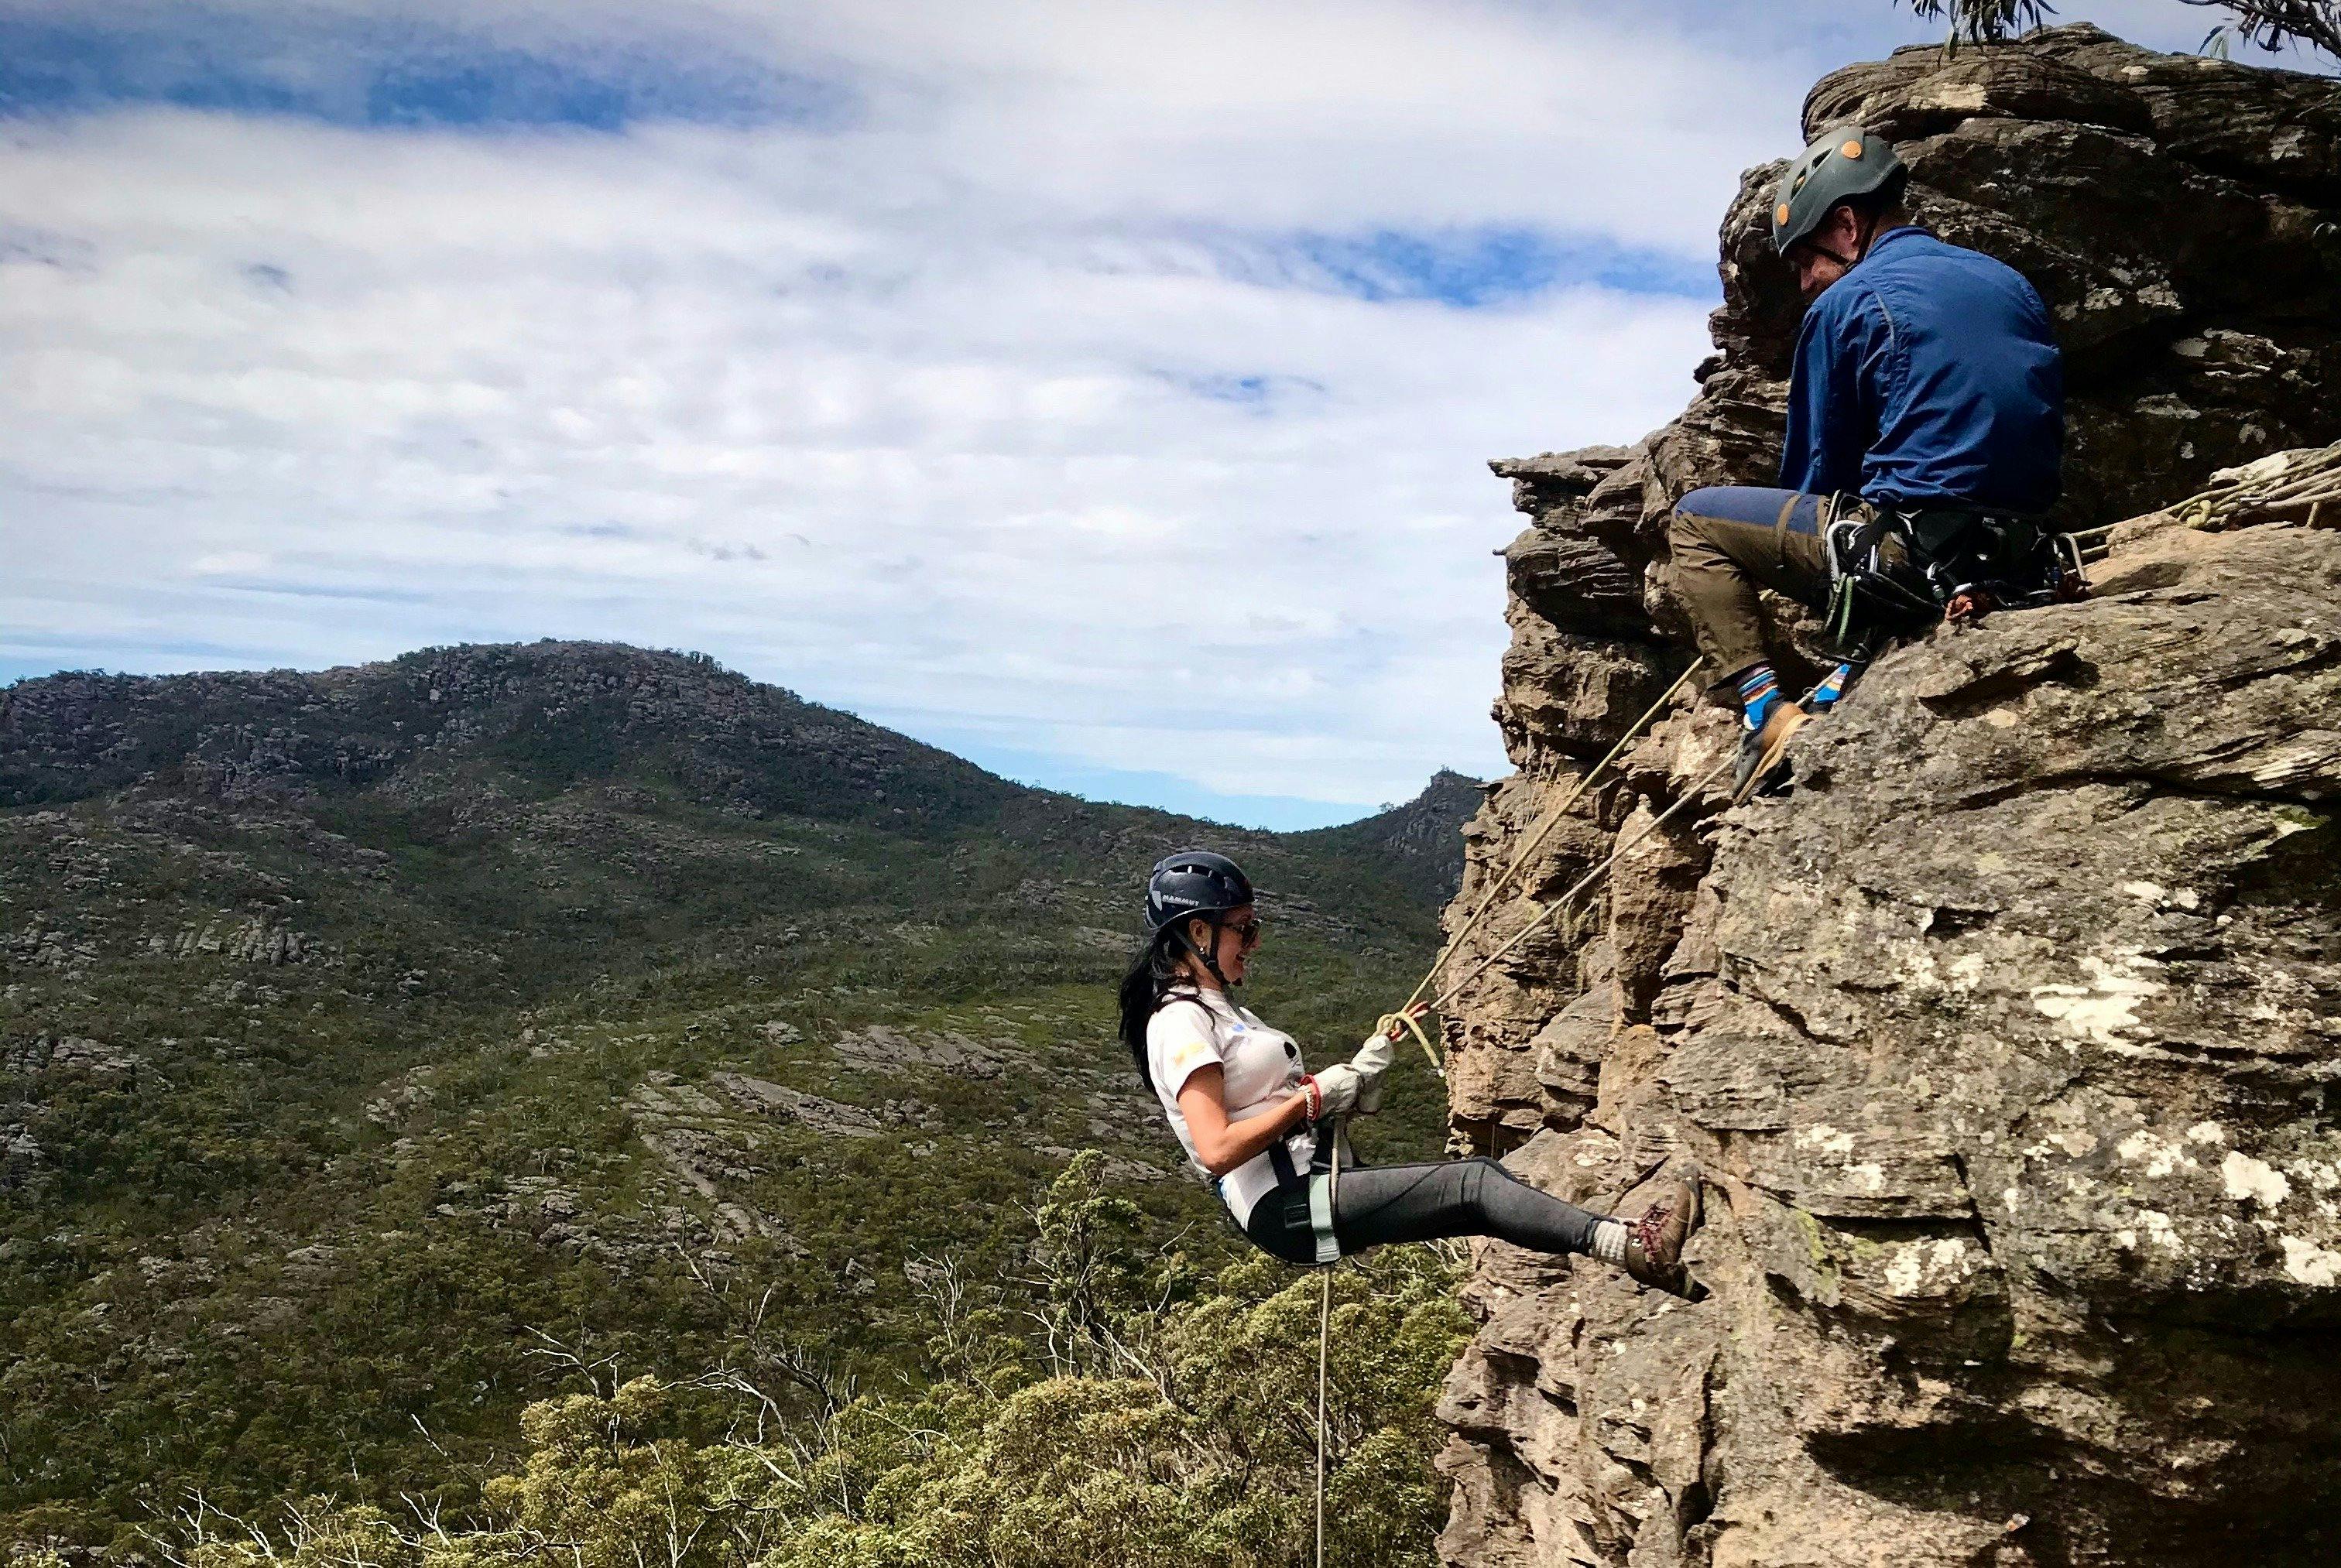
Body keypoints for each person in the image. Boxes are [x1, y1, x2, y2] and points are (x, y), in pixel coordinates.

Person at [1667, 125, 2067, 799]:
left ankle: (1764, 712)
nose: (1805, 282)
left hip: (1916, 557)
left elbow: (1819, 471)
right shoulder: (2009, 283)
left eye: (1806, 261)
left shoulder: (1846, 304)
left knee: (1695, 519)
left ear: (1847, 226)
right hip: (2020, 555)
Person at [1118, 850, 1699, 1292]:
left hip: (1301, 1184)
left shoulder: (1220, 1008)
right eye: (1244, 929)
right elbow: (1217, 1148)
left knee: (1479, 1179)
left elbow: (1267, 1100)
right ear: (1199, 931)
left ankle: (1633, 1246)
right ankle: (1634, 1249)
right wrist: (1311, 1101)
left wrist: (1354, 1073)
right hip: (1283, 1204)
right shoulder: (1180, 1021)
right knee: (1473, 1187)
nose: (1254, 942)